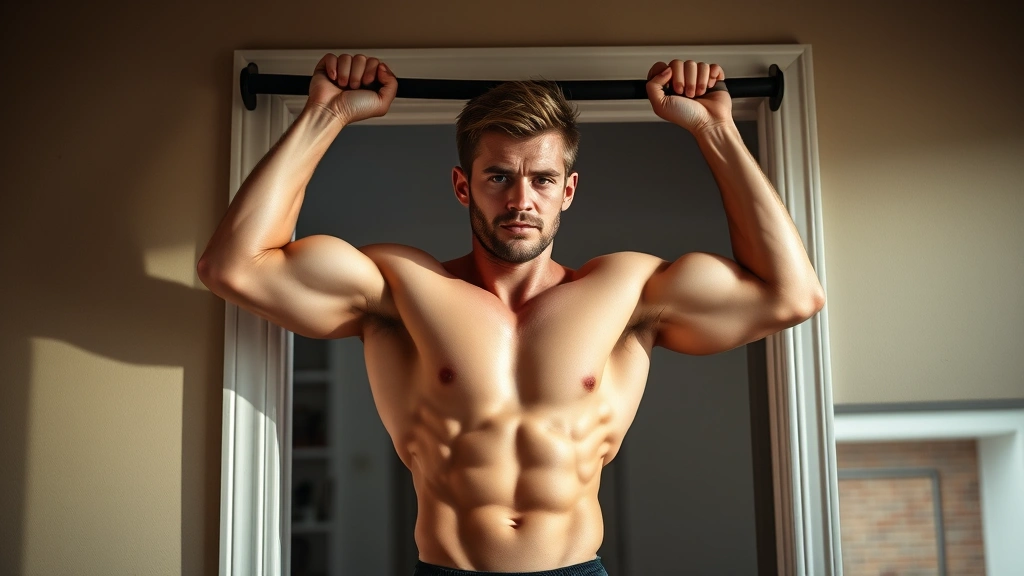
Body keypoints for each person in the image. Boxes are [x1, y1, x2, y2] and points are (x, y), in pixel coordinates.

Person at [198, 53, 825, 576]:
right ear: (463, 186)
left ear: (568, 191)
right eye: (498, 176)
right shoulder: (403, 287)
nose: (521, 200)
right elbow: (233, 266)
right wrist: (326, 113)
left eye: (543, 180)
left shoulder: (627, 291)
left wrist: (715, 131)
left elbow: (791, 295)